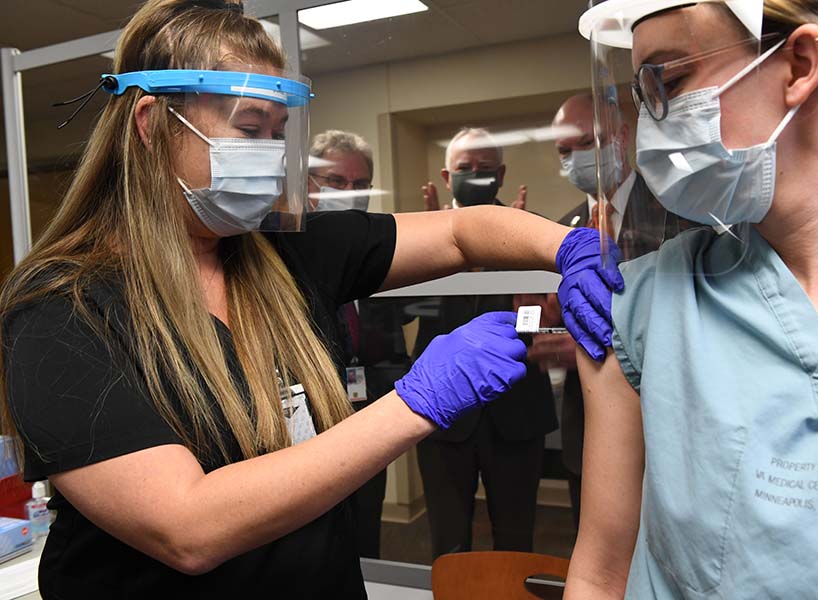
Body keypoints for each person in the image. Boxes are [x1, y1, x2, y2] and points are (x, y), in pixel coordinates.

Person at [0, 1, 617, 597]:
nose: (269, 156)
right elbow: (185, 528)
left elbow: (463, 231)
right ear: (151, 125)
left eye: (278, 133)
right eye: (249, 130)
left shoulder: (284, 252)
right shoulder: (62, 307)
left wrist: (570, 247)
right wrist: (418, 403)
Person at [564, 0, 818, 597]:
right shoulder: (641, 304)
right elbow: (600, 572)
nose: (652, 127)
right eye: (643, 97)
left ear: (799, 64)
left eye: (669, 81)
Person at [532, 92, 690, 527]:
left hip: (666, 424)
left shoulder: (678, 212)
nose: (576, 158)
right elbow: (557, 319)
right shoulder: (559, 229)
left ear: (621, 137)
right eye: (564, 151)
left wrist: (602, 344)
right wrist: (549, 331)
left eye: (587, 143)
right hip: (587, 427)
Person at [414, 127, 559, 559]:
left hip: (517, 413)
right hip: (441, 413)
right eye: (464, 169)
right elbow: (405, 315)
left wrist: (519, 260)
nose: (474, 176)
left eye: (485, 168)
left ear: (502, 174)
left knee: (516, 541)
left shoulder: (531, 230)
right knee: (448, 543)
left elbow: (539, 323)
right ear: (446, 175)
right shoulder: (420, 234)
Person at [308, 129, 414, 559]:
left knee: (366, 534)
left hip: (369, 419)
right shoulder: (284, 253)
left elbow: (401, 330)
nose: (350, 194)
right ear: (309, 184)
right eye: (336, 183)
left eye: (359, 185)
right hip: (308, 430)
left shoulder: (383, 256)